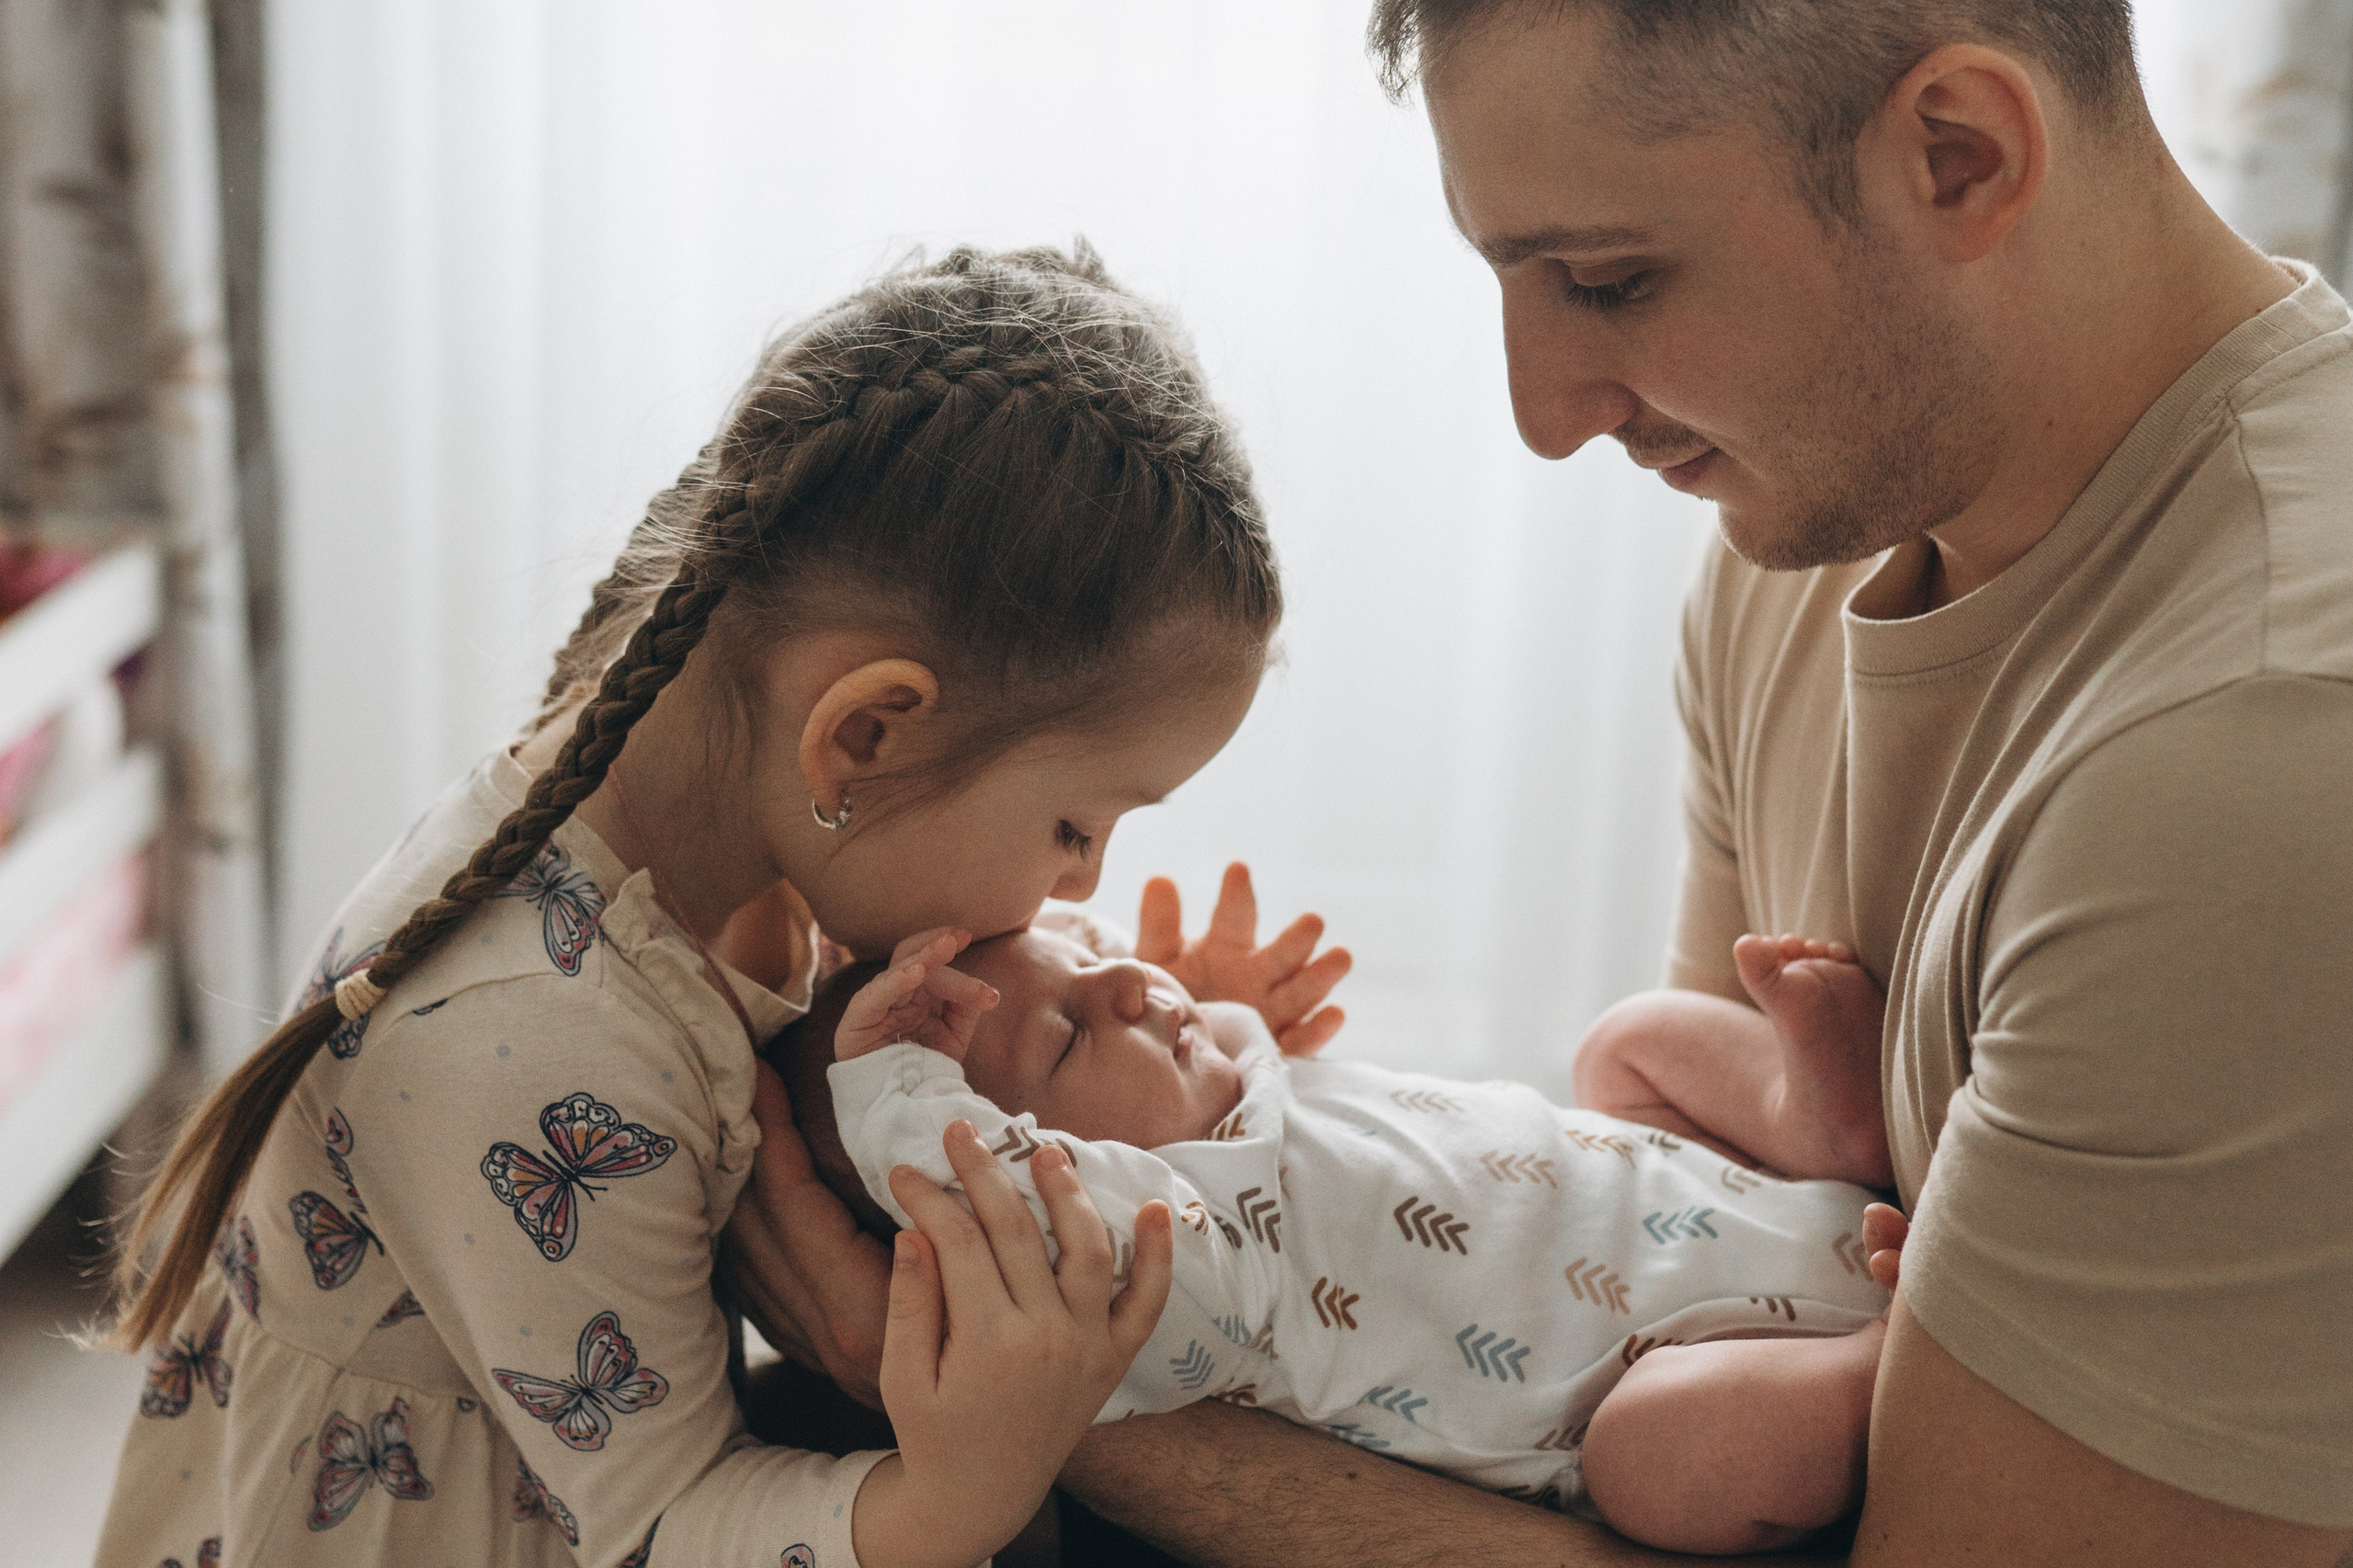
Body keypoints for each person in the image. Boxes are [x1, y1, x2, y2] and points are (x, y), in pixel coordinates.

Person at [723, 6, 2353, 1564]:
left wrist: (994, 1401)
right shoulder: (1802, 551)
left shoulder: (2258, 763)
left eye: (1610, 279)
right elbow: (1668, 1242)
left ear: (1959, 154)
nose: (1545, 416)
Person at [93, 243, 1299, 1568]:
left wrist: (1078, 1040)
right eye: (1075, 827)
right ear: (865, 737)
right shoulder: (533, 1045)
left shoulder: (744, 837)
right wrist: (969, 1486)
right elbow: (661, 1522)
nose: (1084, 887)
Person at [811, 918, 1894, 1555]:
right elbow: (983, 1186)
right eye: (1069, 1029)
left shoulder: (1254, 1080)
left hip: (1744, 1197)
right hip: (1713, 1361)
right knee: (1652, 1460)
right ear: (1053, 1178)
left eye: (1094, 959)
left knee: (1626, 1044)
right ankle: (1894, 1360)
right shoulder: (1198, 1258)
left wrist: (1176, 1005)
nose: (1130, 984)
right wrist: (888, 1086)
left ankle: (1815, 1122)